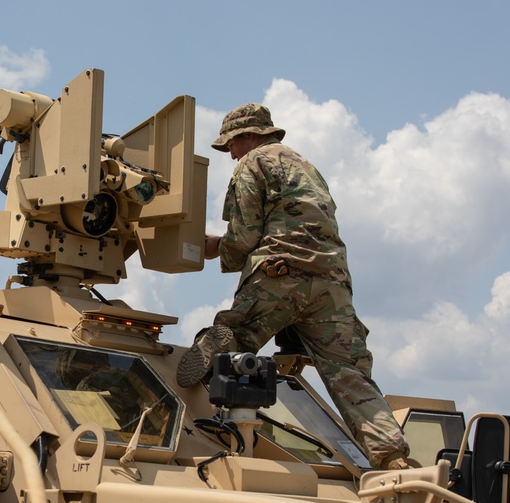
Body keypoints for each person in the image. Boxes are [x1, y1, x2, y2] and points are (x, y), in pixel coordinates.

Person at [175, 103, 410, 471]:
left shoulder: (252, 163)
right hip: (332, 282)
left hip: (280, 272)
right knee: (349, 374)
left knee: (230, 340)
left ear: (247, 136)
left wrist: (214, 248)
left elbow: (244, 237)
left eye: (231, 145)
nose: (230, 154)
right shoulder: (306, 166)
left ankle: (215, 366)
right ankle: (392, 457)